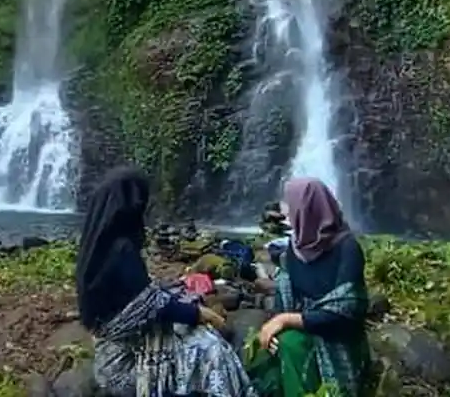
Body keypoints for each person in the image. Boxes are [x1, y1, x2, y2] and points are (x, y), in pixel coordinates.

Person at [76, 165, 257, 397]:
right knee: (212, 349)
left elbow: (138, 301)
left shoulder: (95, 247)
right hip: (126, 365)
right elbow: (152, 305)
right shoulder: (122, 249)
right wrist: (201, 314)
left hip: (107, 357)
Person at [247, 177, 371, 397]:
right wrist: (276, 327)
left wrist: (286, 320)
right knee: (261, 351)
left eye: (291, 204)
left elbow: (346, 310)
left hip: (338, 337)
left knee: (290, 346)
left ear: (308, 210)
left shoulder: (347, 248)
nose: (285, 212)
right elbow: (284, 302)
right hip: (303, 326)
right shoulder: (295, 249)